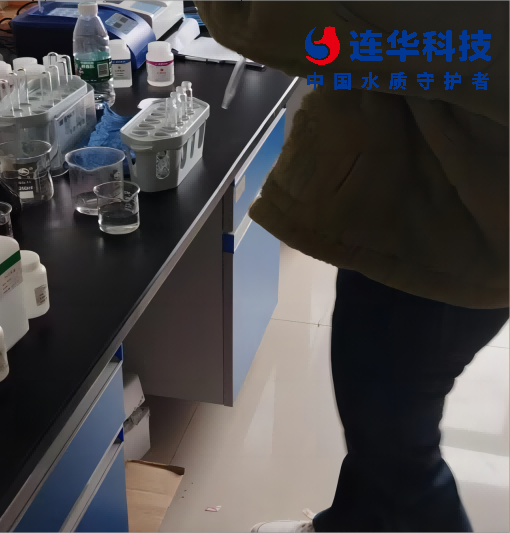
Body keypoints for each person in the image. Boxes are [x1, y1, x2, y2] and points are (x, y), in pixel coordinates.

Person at [194, 1, 509, 531]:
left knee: (397, 451)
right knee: (381, 426)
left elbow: (263, 17)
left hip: (439, 243)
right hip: (441, 214)